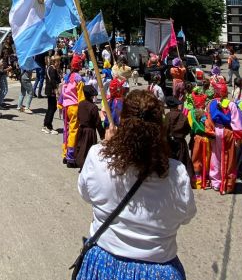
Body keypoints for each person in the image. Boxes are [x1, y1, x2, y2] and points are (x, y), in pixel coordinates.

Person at [77, 90, 196, 279]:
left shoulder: (97, 156)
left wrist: (105, 147)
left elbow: (85, 193)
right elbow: (187, 215)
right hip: (158, 268)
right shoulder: (176, 172)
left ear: (123, 122)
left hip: (103, 264)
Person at [205, 79, 242, 194]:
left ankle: (216, 182)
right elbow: (237, 122)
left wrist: (211, 131)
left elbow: (208, 119)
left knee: (216, 156)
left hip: (215, 131)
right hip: (227, 132)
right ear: (226, 92)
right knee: (229, 157)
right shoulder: (231, 105)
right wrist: (238, 138)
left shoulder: (211, 103)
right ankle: (227, 183)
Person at [61, 54, 86, 167]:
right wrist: (84, 108)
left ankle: (65, 154)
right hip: (74, 107)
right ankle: (71, 157)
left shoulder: (67, 77)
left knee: (66, 131)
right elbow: (81, 96)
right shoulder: (78, 78)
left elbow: (62, 92)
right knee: (73, 131)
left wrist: (60, 104)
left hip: (66, 107)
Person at [75, 85, 104, 169]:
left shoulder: (80, 104)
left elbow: (78, 116)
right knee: (88, 149)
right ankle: (86, 166)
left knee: (81, 147)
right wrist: (102, 135)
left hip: (81, 129)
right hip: (90, 131)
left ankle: (79, 162)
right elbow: (97, 122)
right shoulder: (93, 107)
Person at [165, 96, 192, 184]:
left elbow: (165, 129)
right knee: (182, 162)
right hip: (180, 142)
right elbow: (188, 129)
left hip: (169, 143)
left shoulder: (168, 116)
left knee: (171, 162)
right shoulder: (183, 115)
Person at [42, 55, 62, 134]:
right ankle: (48, 126)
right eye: (58, 61)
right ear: (54, 62)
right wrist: (56, 91)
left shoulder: (52, 68)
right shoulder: (52, 69)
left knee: (51, 108)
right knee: (52, 108)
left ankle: (46, 125)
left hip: (51, 91)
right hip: (52, 91)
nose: (59, 63)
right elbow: (53, 81)